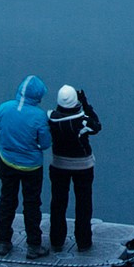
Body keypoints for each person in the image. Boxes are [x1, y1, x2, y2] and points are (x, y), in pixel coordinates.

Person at [0, 75, 53, 257]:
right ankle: (33, 245)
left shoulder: (4, 108)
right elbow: (46, 143)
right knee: (32, 204)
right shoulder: (39, 116)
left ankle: (3, 241)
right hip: (31, 168)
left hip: (7, 162)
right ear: (38, 96)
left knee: (7, 201)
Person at [47, 82, 102, 252]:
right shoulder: (82, 121)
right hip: (83, 167)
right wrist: (85, 103)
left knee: (58, 203)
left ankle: (56, 240)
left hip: (58, 165)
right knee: (83, 204)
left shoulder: (50, 118)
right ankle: (83, 241)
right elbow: (97, 126)